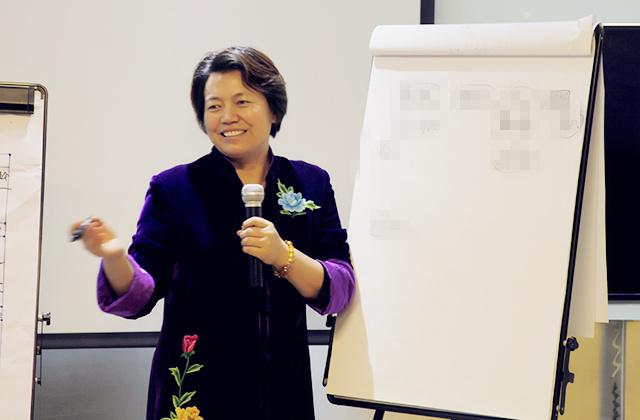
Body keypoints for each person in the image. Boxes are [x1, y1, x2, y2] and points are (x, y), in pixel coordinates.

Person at [70, 46, 355, 420]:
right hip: (196, 394)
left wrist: (283, 256)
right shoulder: (175, 189)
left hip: (282, 390)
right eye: (214, 106)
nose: (227, 116)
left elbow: (341, 289)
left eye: (242, 102)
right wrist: (113, 257)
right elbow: (139, 294)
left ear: (273, 109)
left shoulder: (310, 183)